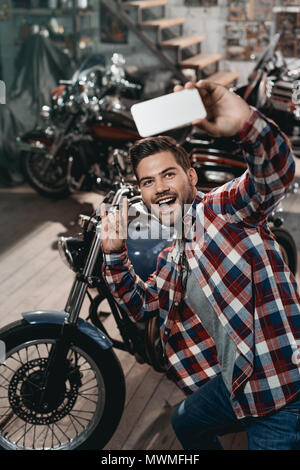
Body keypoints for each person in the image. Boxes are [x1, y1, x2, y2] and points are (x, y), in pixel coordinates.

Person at [100, 80, 300, 450]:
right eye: (148, 181)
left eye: (168, 174)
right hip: (238, 383)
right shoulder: (171, 256)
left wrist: (246, 124)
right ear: (141, 194)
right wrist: (115, 254)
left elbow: (276, 173)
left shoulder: (222, 210)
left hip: (283, 390)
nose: (159, 187)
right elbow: (140, 306)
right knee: (185, 422)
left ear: (191, 177)